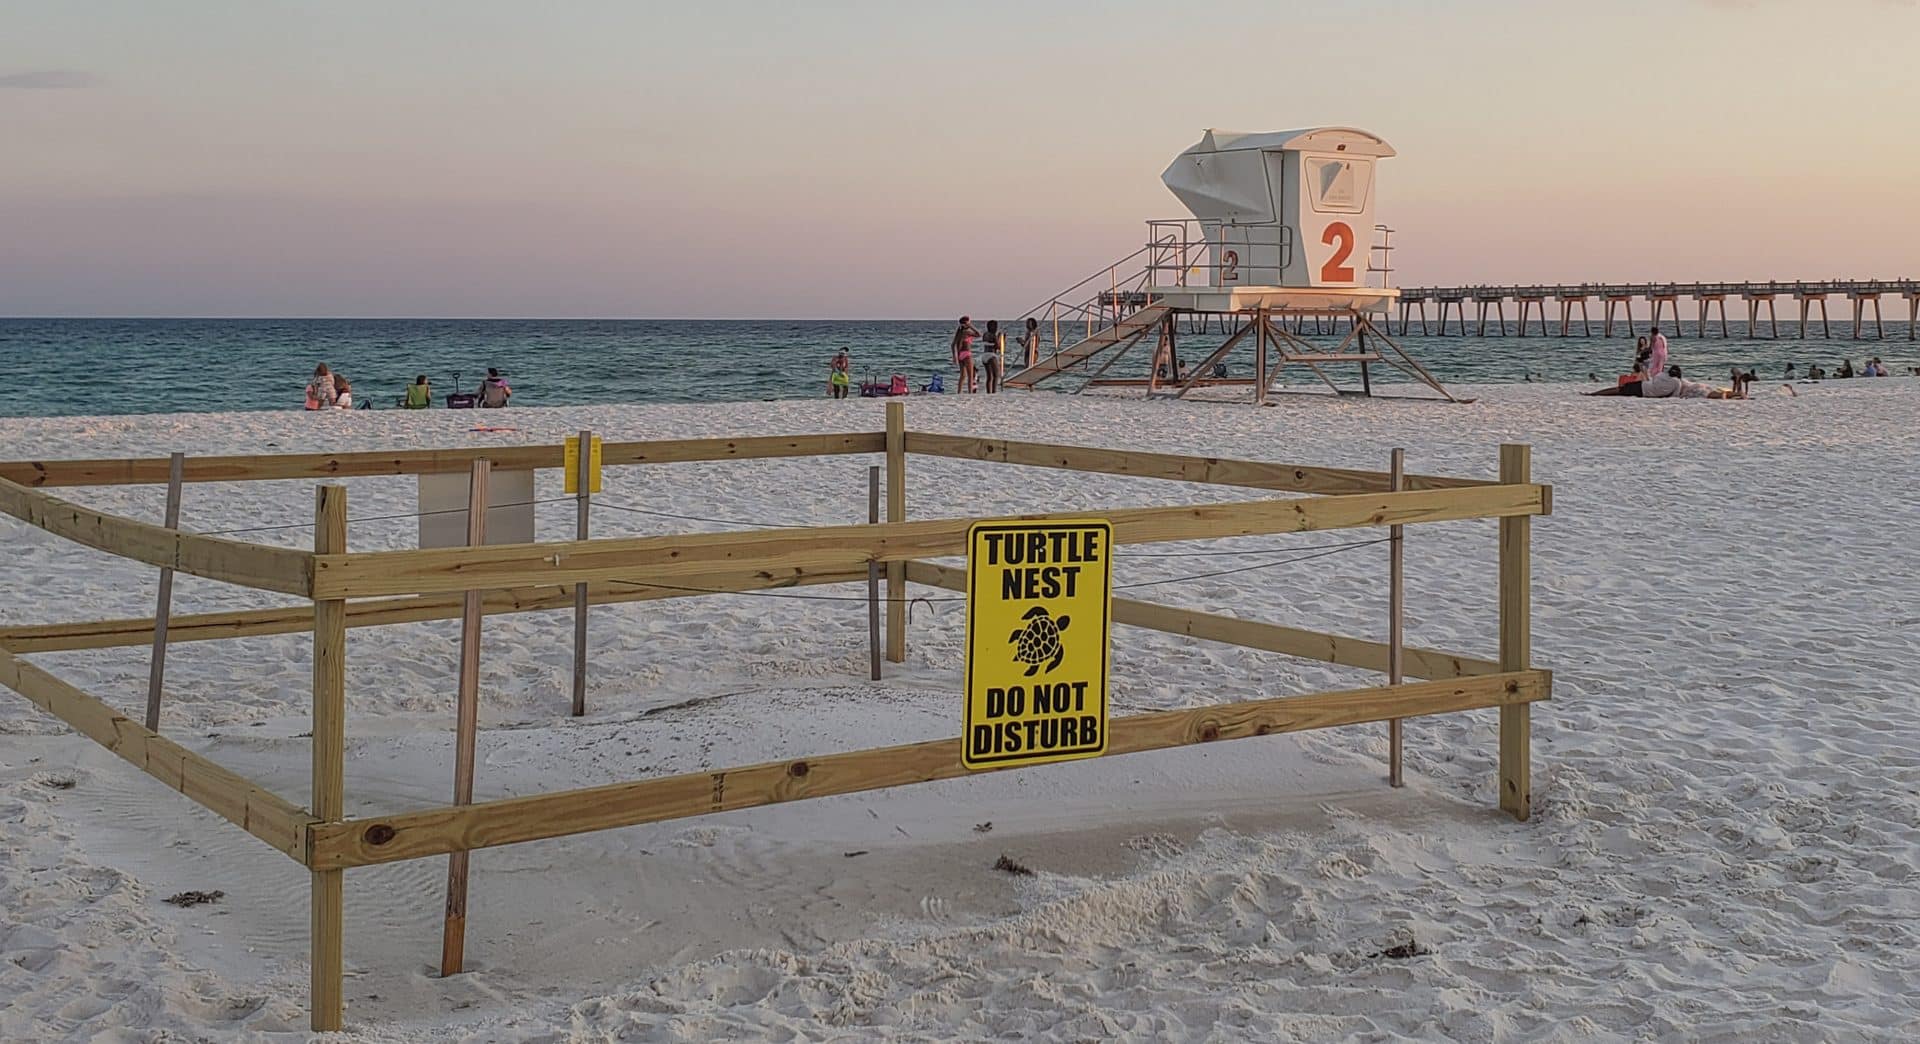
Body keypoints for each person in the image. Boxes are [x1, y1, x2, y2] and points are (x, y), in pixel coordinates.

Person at [951, 317, 979, 393]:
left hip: (960, 355)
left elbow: (953, 345)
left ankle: (959, 392)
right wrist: (971, 326)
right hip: (967, 354)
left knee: (962, 376)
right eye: (969, 322)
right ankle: (970, 393)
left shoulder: (959, 332)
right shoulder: (967, 332)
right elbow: (979, 334)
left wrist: (954, 357)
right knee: (970, 376)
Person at [981, 320, 1005, 394]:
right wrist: (1002, 339)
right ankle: (994, 392)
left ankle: (988, 392)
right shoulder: (993, 335)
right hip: (991, 355)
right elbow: (998, 347)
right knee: (996, 375)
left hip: (984, 355)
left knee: (989, 377)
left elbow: (989, 343)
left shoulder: (985, 334)